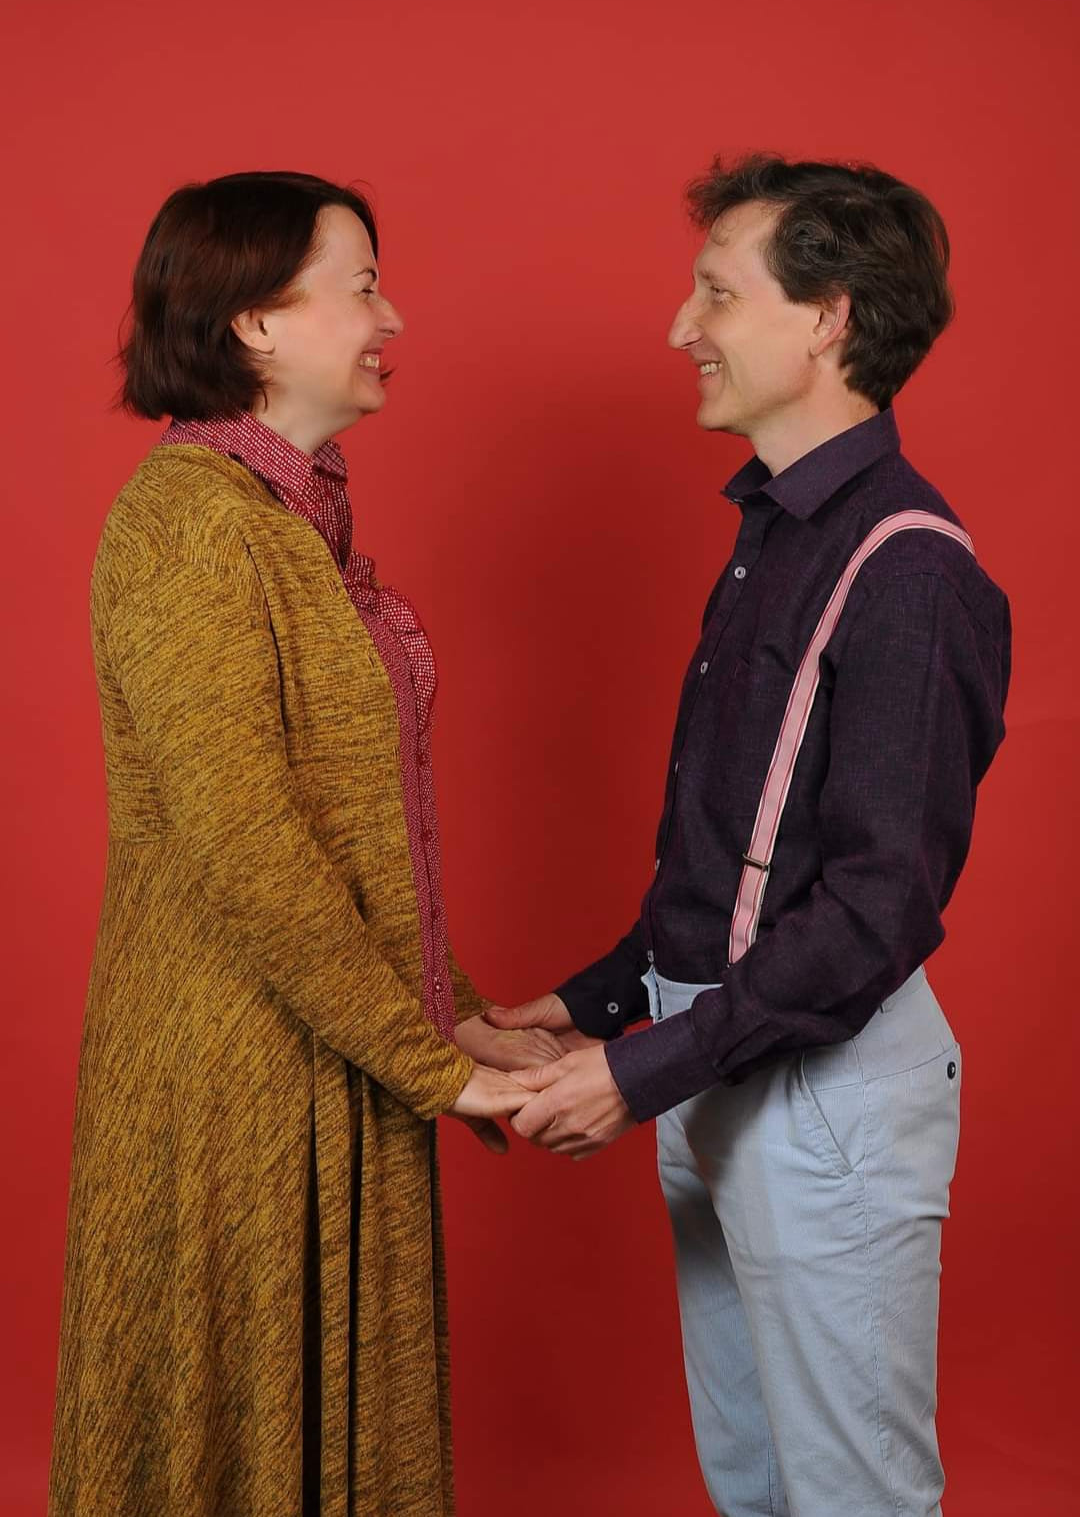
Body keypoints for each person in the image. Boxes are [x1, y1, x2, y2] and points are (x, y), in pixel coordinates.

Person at [486, 154, 1011, 1516]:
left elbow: (874, 913)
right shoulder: (773, 531)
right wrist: (594, 1007)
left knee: (851, 1499)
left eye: (717, 292)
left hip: (820, 1091)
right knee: (760, 1488)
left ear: (828, 316)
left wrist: (642, 1070)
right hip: (719, 1056)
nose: (681, 327)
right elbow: (737, 855)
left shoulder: (910, 569)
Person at [47, 170, 555, 1517]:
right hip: (232, 1076)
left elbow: (357, 831)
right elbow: (250, 848)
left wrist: (454, 1011)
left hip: (326, 1042)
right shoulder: (188, 524)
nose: (395, 316)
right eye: (365, 285)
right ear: (257, 322)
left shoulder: (289, 523)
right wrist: (432, 1065)